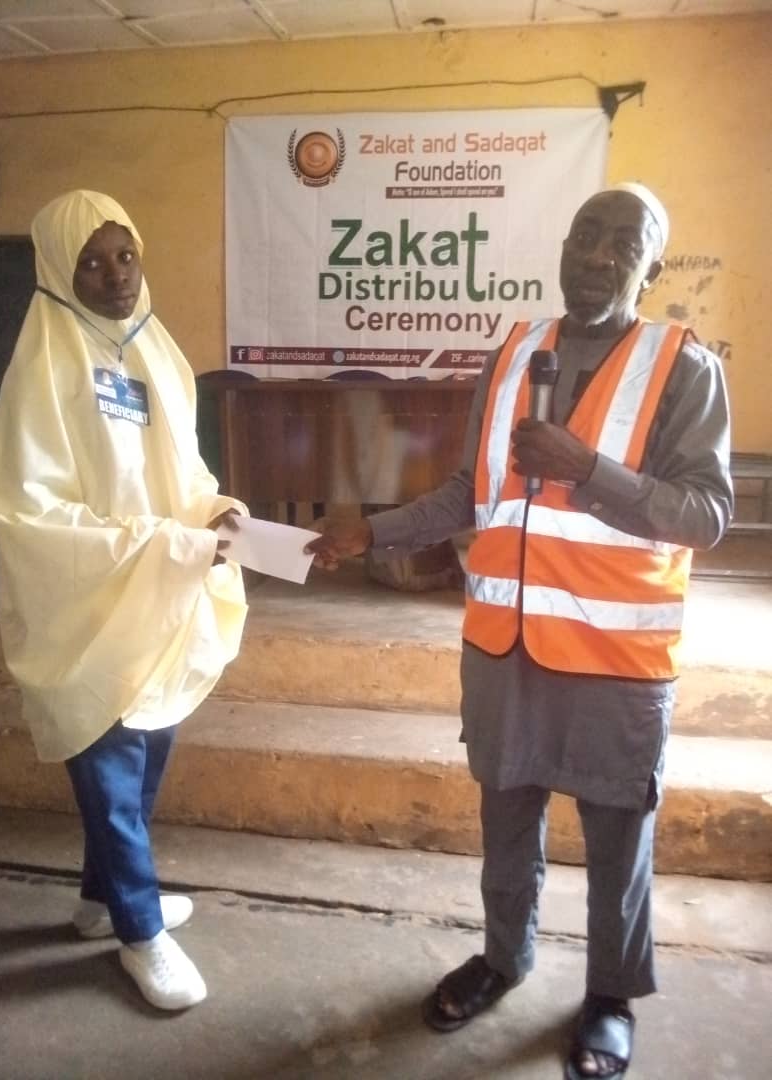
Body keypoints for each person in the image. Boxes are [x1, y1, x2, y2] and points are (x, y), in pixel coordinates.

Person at [306, 182, 733, 1079]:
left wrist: (589, 469)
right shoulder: (513, 353)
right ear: (563, 246)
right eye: (585, 235)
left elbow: (705, 515)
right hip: (504, 649)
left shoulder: (684, 367)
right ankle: (504, 958)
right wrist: (372, 534)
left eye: (624, 243)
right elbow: (472, 491)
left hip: (615, 657)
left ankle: (610, 995)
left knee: (617, 837)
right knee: (506, 819)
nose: (598, 255)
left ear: (652, 267)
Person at [0, 190, 248, 1011]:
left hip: (160, 598)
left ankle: (102, 902)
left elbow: (185, 473)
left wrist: (216, 511)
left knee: (146, 752)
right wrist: (166, 544)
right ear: (58, 270)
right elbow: (31, 511)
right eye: (91, 263)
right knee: (109, 767)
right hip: (89, 610)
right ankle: (141, 932)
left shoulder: (156, 351)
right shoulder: (45, 369)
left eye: (124, 255)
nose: (115, 276)